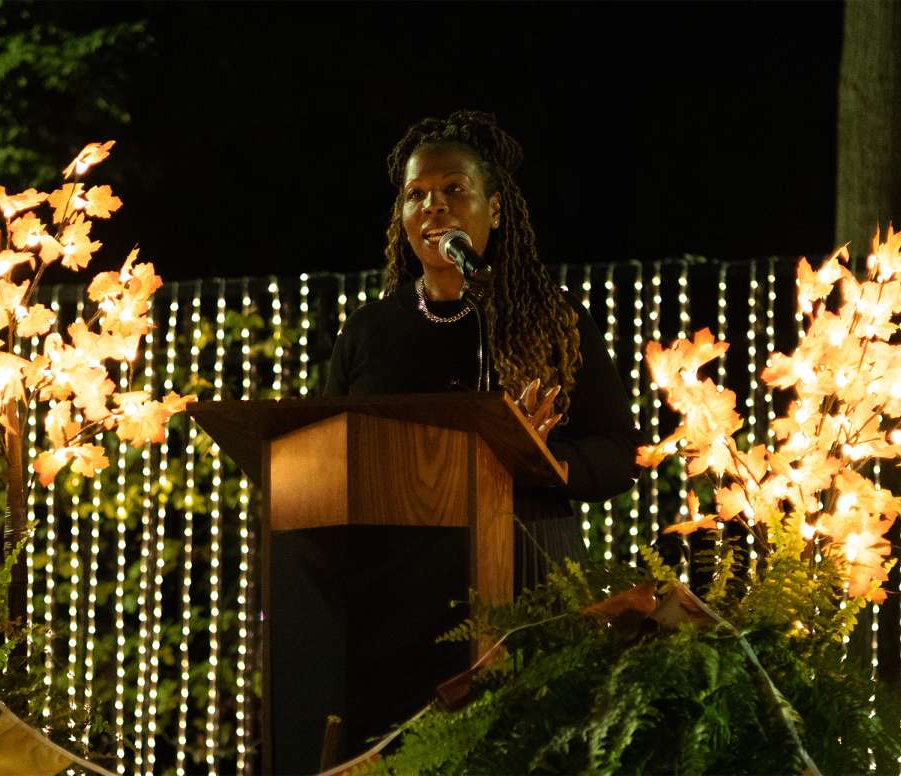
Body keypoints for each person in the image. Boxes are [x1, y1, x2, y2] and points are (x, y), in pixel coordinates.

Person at [270, 110, 642, 771]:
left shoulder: (552, 322)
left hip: (529, 590)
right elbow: (329, 454)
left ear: (495, 212)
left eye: (453, 190)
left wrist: (548, 458)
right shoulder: (367, 333)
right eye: (415, 194)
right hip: (396, 611)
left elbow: (618, 450)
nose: (432, 207)